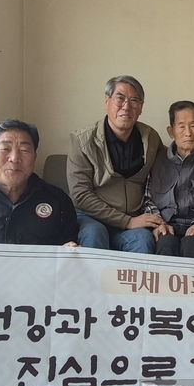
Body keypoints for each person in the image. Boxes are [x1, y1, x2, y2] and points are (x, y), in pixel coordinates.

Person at [67, 75, 164, 253]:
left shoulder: (150, 138)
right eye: (120, 98)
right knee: (94, 234)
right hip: (92, 218)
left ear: (141, 107)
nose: (126, 107)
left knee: (143, 240)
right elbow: (80, 195)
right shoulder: (82, 141)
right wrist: (127, 221)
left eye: (134, 100)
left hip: (134, 217)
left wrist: (158, 220)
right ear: (107, 102)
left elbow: (168, 172)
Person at [142, 101, 194, 258]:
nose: (188, 133)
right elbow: (147, 199)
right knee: (166, 244)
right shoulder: (157, 161)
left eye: (193, 126)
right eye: (181, 126)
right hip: (166, 225)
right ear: (171, 131)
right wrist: (159, 224)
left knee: (192, 245)